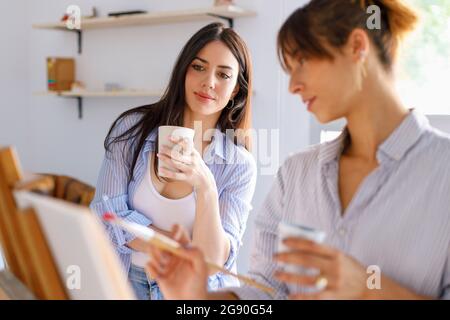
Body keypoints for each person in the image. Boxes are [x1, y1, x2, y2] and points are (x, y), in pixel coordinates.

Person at [145, 0, 450, 300]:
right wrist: (196, 298)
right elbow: (265, 294)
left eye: (301, 62)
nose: (292, 85)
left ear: (357, 46)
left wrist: (368, 287)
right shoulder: (297, 174)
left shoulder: (442, 171)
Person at [89, 22, 257, 300]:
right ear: (183, 72)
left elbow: (214, 259)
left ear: (236, 90)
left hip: (188, 294)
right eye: (199, 67)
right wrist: (180, 248)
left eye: (223, 75)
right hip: (124, 281)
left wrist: (206, 186)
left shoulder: (239, 165)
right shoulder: (132, 130)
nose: (209, 82)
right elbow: (107, 216)